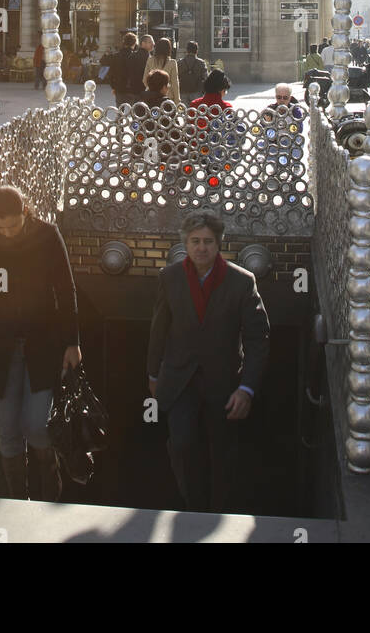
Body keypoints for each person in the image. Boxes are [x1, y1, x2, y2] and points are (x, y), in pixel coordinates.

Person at [0, 184, 81, 501]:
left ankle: (51, 489)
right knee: (7, 432)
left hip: (43, 344)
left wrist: (72, 342)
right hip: (3, 346)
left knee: (36, 425)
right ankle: (17, 501)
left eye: (12, 225)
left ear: (25, 211)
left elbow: (66, 291)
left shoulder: (47, 236)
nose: (7, 233)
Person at [147, 210, 270, 513]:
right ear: (186, 244)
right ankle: (193, 508)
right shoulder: (170, 277)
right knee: (183, 443)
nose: (201, 247)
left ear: (218, 245)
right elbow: (158, 329)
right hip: (180, 379)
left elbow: (258, 339)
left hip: (224, 382)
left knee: (224, 452)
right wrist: (152, 374)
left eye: (207, 242)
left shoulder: (242, 282)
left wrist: (247, 389)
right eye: (195, 241)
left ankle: (221, 511)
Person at [107, 31, 148, 105]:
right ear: (134, 43)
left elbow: (110, 73)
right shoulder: (135, 56)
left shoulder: (116, 56)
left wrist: (113, 87)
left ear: (124, 42)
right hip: (132, 89)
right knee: (133, 113)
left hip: (119, 88)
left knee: (120, 112)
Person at [144, 36, 181, 106]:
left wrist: (152, 89)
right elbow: (175, 83)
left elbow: (144, 79)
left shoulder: (150, 60)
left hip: (152, 98)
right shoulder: (172, 62)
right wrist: (177, 100)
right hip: (168, 98)